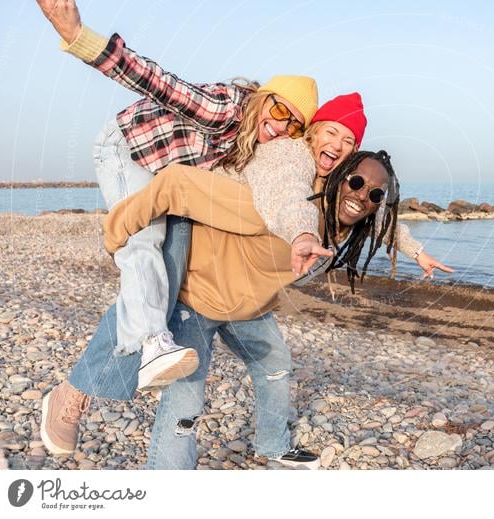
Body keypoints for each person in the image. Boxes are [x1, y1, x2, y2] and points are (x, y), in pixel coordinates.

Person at [22, 0, 323, 391]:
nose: (280, 127)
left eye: (294, 126)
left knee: (173, 260)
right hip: (127, 147)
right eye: (279, 111)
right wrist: (79, 38)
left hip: (169, 178)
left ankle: (85, 387)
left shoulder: (259, 148)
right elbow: (159, 82)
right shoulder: (225, 108)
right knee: (144, 238)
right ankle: (152, 344)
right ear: (263, 97)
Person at [47, 150, 407, 469]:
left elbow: (383, 223)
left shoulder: (344, 222)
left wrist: (417, 251)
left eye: (375, 193)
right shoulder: (275, 204)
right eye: (356, 182)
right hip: (198, 300)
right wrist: (116, 234)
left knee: (276, 365)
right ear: (336, 178)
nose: (362, 195)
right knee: (185, 405)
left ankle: (274, 445)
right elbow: (178, 184)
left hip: (247, 309)